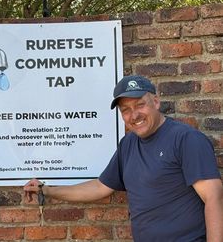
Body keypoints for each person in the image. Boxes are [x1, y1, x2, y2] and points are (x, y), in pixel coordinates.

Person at [24, 75, 223, 242]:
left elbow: (214, 198)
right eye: (125, 110)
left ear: (156, 101)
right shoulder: (128, 144)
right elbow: (100, 187)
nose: (134, 115)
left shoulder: (185, 139)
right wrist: (48, 190)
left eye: (140, 105)